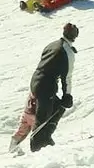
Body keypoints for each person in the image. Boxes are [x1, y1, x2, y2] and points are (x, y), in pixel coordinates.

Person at [27, 22, 77, 151]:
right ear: (75, 35)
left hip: (36, 81)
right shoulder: (67, 51)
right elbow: (67, 77)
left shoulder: (52, 44)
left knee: (56, 108)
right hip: (46, 86)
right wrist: (67, 95)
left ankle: (45, 138)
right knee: (43, 118)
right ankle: (37, 146)